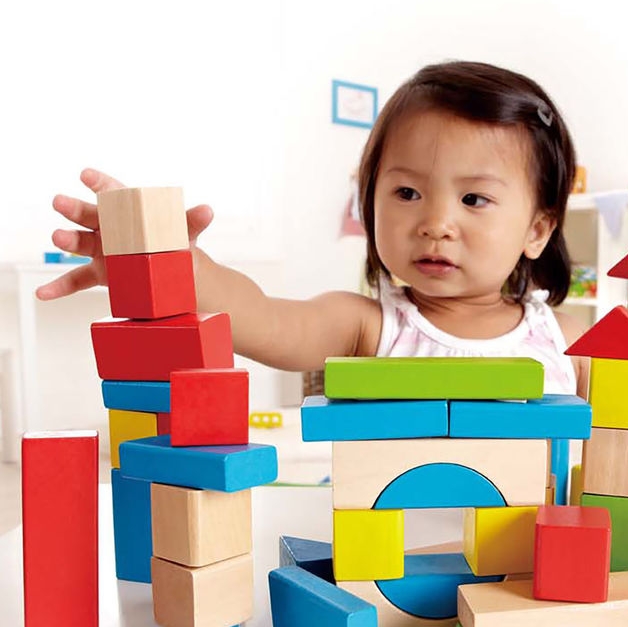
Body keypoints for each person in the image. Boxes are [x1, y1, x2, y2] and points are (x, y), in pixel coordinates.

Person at [39, 60, 588, 396]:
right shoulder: (367, 326)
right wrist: (164, 263)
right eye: (407, 193)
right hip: (393, 547)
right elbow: (264, 319)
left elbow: (627, 426)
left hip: (530, 552)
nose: (436, 224)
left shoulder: (563, 341)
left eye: (473, 199)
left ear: (537, 230)